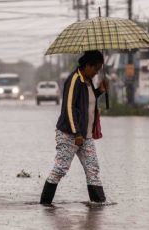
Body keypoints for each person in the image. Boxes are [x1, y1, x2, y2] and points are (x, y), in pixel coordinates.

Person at [40, 50, 108, 204]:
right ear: (87, 65)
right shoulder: (74, 80)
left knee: (93, 170)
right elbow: (69, 108)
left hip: (86, 135)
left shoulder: (88, 81)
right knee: (60, 169)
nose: (97, 73)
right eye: (95, 69)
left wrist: (99, 91)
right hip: (69, 134)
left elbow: (86, 102)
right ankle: (45, 204)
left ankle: (99, 205)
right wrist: (76, 133)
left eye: (99, 70)